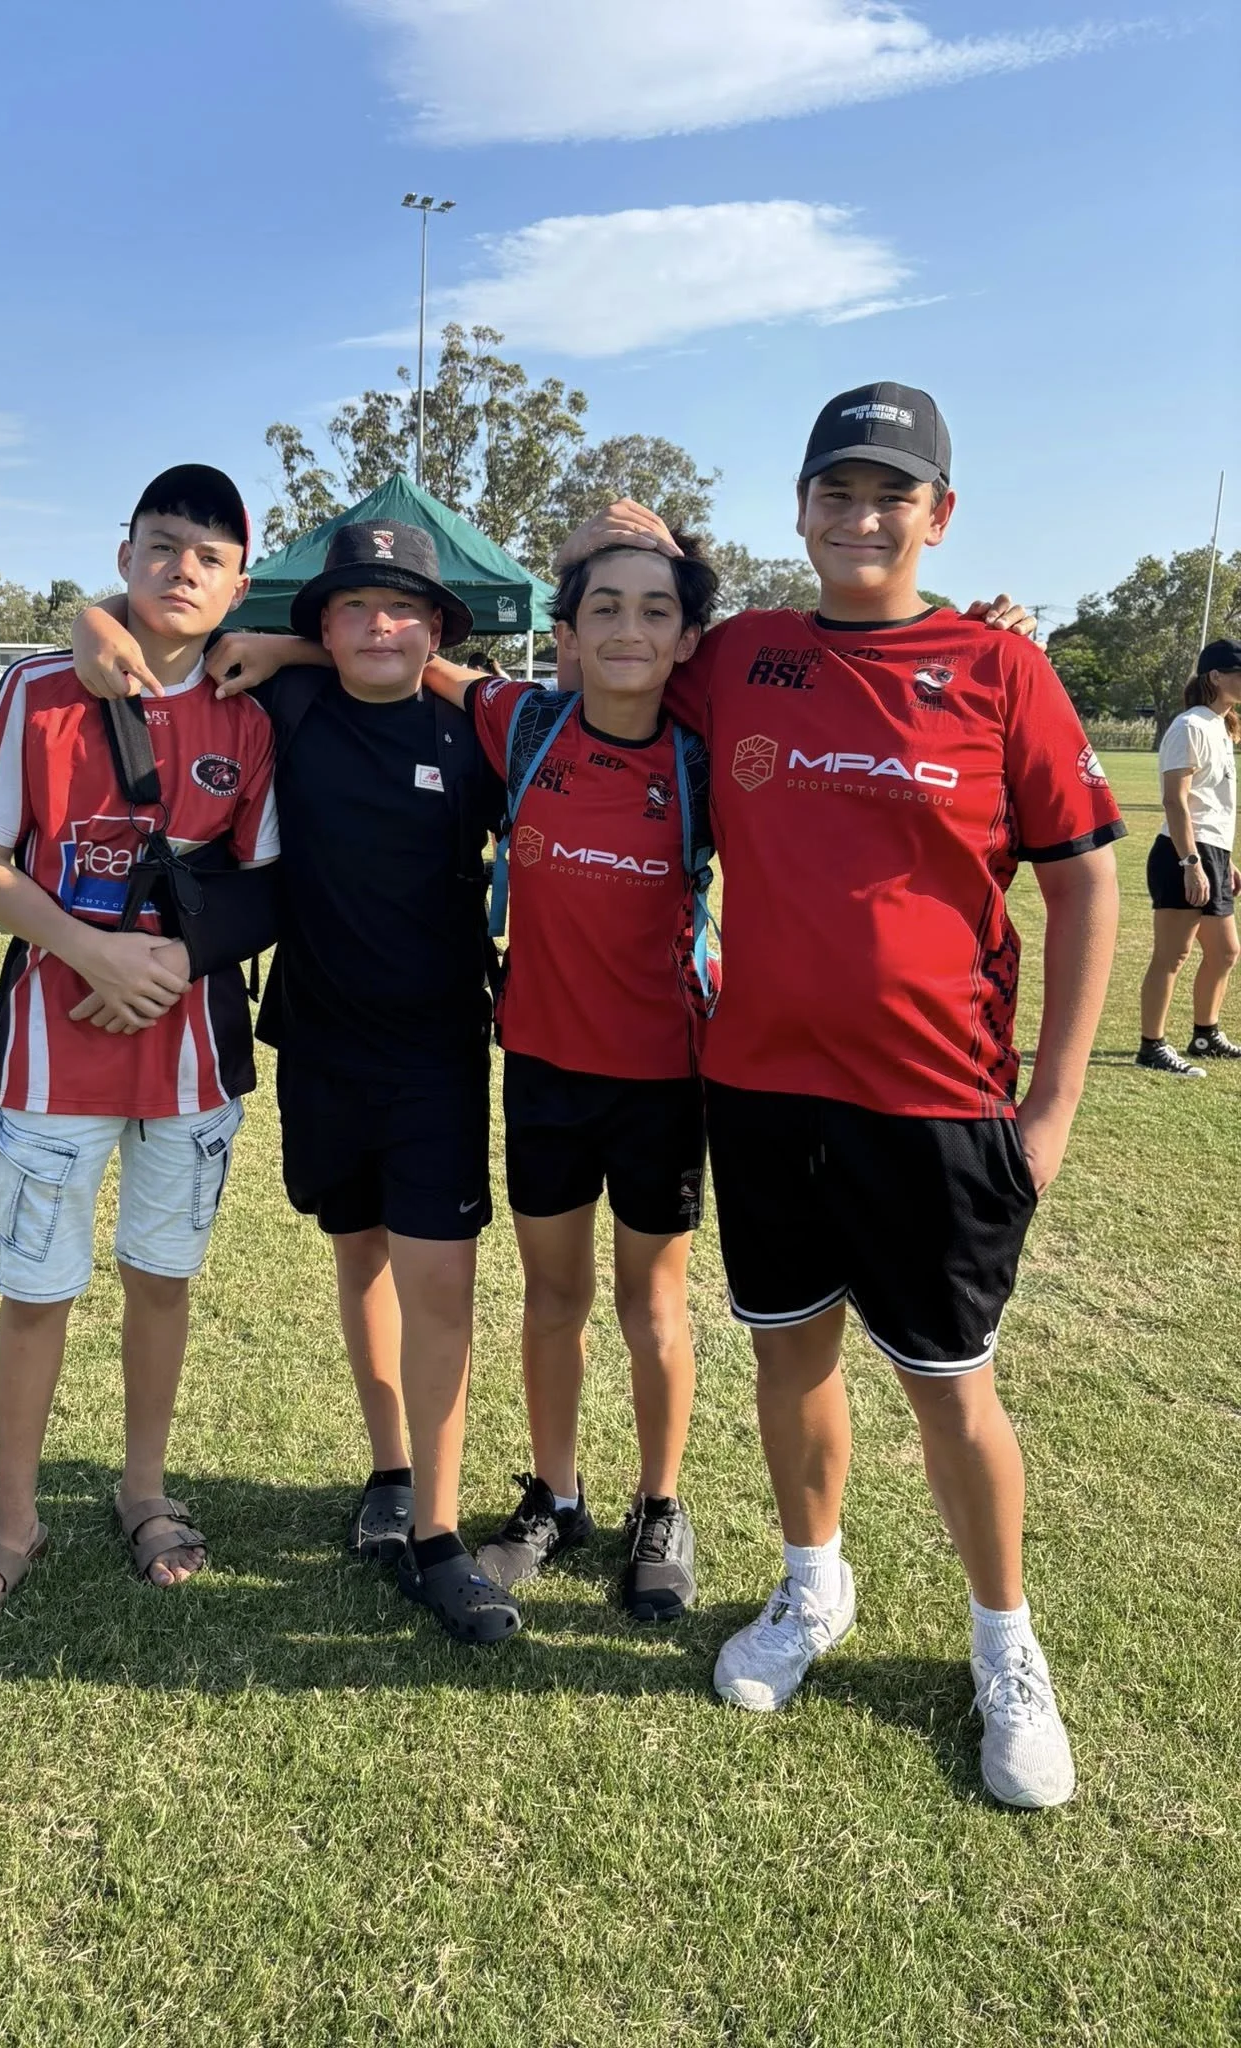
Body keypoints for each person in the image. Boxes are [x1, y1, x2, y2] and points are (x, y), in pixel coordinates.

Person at [561, 383, 1124, 1808]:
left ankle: (1006, 1645)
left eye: (892, 495)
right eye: (836, 492)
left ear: (940, 514)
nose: (861, 519)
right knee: (789, 1357)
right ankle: (813, 1590)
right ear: (800, 510)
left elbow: (1085, 882)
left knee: (951, 1389)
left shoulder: (1003, 671)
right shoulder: (742, 654)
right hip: (757, 1090)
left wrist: (1051, 1111)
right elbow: (601, 661)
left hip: (936, 1104)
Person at [72, 521, 522, 1646]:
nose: (382, 623)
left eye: (406, 606)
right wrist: (93, 618)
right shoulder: (285, 709)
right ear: (316, 622)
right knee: (358, 1251)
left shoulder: (471, 734)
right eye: (355, 605)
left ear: (439, 624)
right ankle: (389, 1469)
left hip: (437, 1054)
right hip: (318, 1042)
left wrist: (301, 646)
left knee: (441, 1282)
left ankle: (439, 1534)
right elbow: (158, 631)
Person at [0, 465, 278, 1641]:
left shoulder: (249, 715)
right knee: (36, 1293)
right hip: (50, 1054)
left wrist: (159, 969)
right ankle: (10, 1525)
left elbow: (263, 882)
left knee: (160, 1283)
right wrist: (90, 953)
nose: (183, 567)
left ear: (237, 583)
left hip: (190, 1057)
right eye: (163, 544)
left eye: (210, 556)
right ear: (123, 556)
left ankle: (141, 1491)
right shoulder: (36, 689)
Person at [404, 537, 719, 1620]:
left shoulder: (704, 756)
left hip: (664, 1081)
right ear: (569, 631)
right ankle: (557, 1490)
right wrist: (270, 639)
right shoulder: (528, 725)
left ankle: (661, 1503)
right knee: (553, 1297)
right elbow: (416, 655)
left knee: (653, 1305)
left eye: (655, 611)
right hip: (540, 1070)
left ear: (685, 638)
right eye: (605, 610)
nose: (629, 630)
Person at [1135, 639, 1241, 1078]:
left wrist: (1223, 859)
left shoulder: (1222, 725)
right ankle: (1152, 1046)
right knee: (1172, 955)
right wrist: (1191, 862)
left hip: (1211, 852)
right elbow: (1175, 803)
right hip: (1181, 854)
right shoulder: (1189, 726)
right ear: (1215, 676)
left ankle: (1205, 1034)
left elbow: (1209, 804)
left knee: (1225, 951)